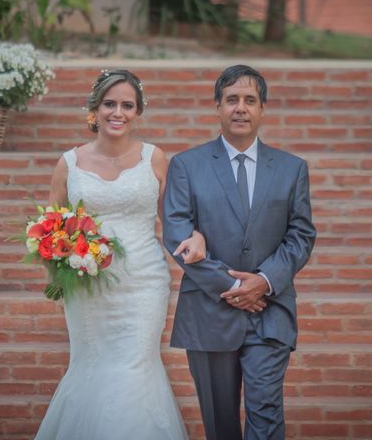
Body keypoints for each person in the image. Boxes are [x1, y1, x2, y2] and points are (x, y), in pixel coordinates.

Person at [35, 69, 203, 439]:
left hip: (144, 283)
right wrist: (61, 270)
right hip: (86, 285)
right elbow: (52, 228)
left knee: (135, 366)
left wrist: (197, 237)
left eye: (128, 105)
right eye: (110, 104)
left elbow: (175, 220)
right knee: (90, 364)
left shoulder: (154, 159)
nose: (118, 112)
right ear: (94, 109)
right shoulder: (69, 163)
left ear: (138, 112)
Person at [162, 64, 317, 440]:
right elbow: (177, 233)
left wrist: (263, 282)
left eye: (250, 100)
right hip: (209, 311)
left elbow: (301, 234)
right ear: (218, 107)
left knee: (266, 411)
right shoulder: (187, 165)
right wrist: (232, 287)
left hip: (270, 309)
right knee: (221, 425)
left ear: (263, 109)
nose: (240, 108)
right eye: (231, 99)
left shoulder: (292, 168)